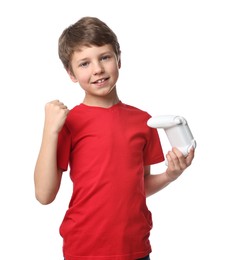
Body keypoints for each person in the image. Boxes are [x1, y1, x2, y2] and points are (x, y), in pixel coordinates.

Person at [34, 16, 195, 260]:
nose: (97, 68)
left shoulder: (144, 122)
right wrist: (49, 131)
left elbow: (138, 187)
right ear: (71, 73)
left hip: (135, 248)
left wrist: (170, 175)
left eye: (105, 57)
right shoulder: (67, 123)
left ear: (119, 59)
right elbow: (44, 195)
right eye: (84, 63)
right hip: (84, 249)